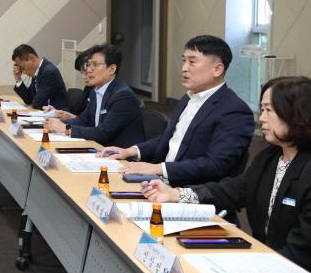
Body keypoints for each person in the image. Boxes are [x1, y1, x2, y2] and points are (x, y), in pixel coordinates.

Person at [142, 76, 311, 273]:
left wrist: (251, 269)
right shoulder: (270, 157)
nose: (261, 118)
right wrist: (176, 194)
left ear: (298, 114)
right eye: (262, 110)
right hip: (266, 263)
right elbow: (235, 190)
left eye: (269, 110)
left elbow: (303, 251)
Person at [101, 35, 255, 186]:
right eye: (184, 61)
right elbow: (168, 140)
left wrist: (159, 169)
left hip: (189, 190)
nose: (184, 68)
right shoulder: (188, 98)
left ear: (217, 69)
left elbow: (215, 165)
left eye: (192, 62)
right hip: (160, 181)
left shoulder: (234, 111)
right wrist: (129, 151)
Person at [45, 44, 145, 147]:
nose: (89, 70)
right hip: (100, 147)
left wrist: (66, 129)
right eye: (89, 65)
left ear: (112, 69)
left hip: (119, 153)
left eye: (95, 65)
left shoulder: (123, 96)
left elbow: (103, 133)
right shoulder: (95, 91)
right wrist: (56, 122)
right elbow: (84, 120)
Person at [12, 44, 69, 110]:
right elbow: (29, 99)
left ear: (31, 58)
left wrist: (34, 102)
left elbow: (37, 103)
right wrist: (18, 78)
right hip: (46, 112)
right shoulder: (38, 70)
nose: (23, 72)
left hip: (59, 113)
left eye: (23, 67)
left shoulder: (49, 72)